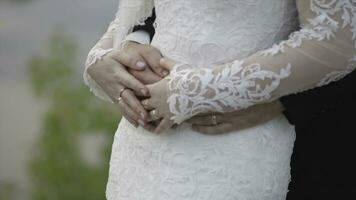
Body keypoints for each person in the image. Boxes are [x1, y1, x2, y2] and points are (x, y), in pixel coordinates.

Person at [84, 0, 356, 199]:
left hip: (233, 149)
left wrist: (194, 92)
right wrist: (111, 53)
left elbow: (337, 40)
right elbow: (149, 10)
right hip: (141, 151)